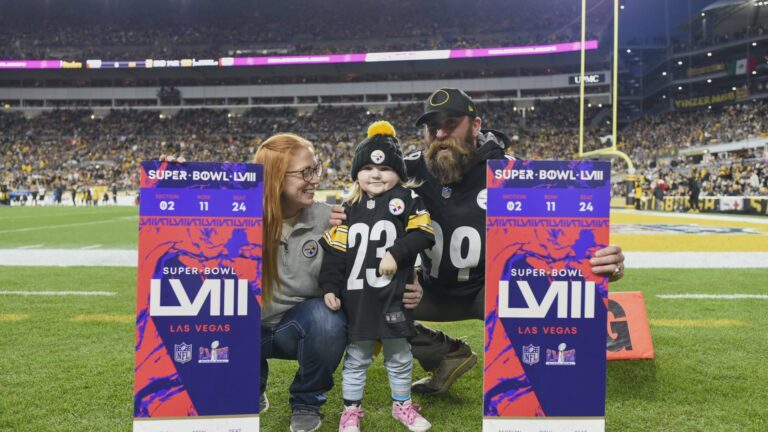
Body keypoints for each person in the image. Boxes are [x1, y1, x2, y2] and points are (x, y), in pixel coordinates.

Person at [332, 88, 626, 396]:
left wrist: (603, 262)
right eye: (433, 128)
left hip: (493, 290)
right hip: (428, 290)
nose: (441, 133)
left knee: (540, 291)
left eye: (451, 123)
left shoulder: (513, 172)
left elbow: (567, 236)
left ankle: (543, 393)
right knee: (358, 292)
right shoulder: (406, 170)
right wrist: (340, 218)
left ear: (476, 125)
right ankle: (445, 354)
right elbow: (363, 215)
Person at [319, 121, 435, 432]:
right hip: (357, 299)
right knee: (356, 358)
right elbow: (335, 255)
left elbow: (423, 235)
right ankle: (351, 411)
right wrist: (329, 286)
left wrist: (396, 253)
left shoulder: (408, 201)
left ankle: (402, 406)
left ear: (398, 170)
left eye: (383, 168)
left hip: (392, 297)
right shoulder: (348, 207)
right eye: (368, 167)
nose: (376, 174)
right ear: (357, 171)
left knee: (398, 355)